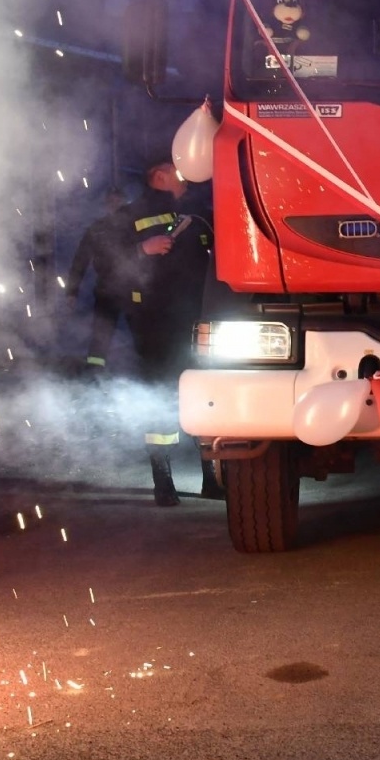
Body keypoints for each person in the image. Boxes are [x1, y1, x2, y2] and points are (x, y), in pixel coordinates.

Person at [126, 161, 220, 506]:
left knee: (207, 397)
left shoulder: (199, 212)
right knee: (162, 399)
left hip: (199, 321)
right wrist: (141, 250)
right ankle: (162, 482)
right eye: (178, 172)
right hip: (156, 325)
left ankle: (212, 479)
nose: (187, 178)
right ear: (159, 176)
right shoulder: (132, 216)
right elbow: (107, 264)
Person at [64, 189, 133, 372]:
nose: (114, 206)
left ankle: (148, 368)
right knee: (101, 334)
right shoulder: (97, 229)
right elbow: (80, 260)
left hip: (135, 290)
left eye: (118, 202)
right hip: (107, 289)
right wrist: (72, 292)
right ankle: (95, 371)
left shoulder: (134, 227)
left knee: (143, 333)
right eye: (111, 202)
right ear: (106, 205)